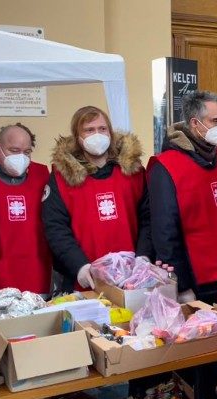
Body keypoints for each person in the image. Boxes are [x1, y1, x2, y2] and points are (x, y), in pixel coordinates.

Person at [147, 90, 217, 399]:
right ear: (195, 123)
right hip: (192, 272)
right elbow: (164, 230)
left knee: (214, 339)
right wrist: (181, 284)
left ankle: (210, 392)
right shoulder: (165, 166)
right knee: (189, 345)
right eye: (215, 121)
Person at [43, 105, 151, 293]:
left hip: (132, 278)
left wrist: (144, 256)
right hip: (87, 280)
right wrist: (79, 266)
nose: (97, 135)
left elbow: (148, 217)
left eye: (102, 129)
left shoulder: (133, 171)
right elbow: (55, 228)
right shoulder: (61, 178)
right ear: (78, 137)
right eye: (89, 130)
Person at [0, 123, 52, 296]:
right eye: (14, 150)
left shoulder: (41, 174)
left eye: (27, 152)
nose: (21, 156)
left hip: (36, 267)